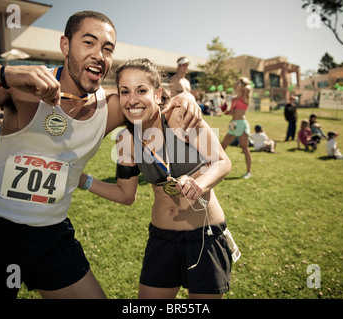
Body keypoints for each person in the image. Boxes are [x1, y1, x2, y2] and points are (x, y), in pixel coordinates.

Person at [0, 11, 201, 299]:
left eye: (107, 48)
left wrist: (184, 97)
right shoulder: (21, 88)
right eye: (88, 43)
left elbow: (152, 103)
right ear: (65, 45)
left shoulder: (112, 107)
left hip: (51, 234)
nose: (99, 55)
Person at [79, 58, 235, 299]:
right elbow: (125, 195)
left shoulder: (179, 117)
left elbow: (222, 161)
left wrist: (200, 184)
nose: (132, 99)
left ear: (158, 93)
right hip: (162, 239)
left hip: (205, 236)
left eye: (142, 90)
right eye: (125, 91)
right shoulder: (125, 141)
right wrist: (82, 180)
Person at [221, 77, 252, 179]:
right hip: (233, 124)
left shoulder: (245, 97)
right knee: (222, 146)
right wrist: (224, 111)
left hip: (242, 124)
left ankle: (248, 172)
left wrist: (243, 83)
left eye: (239, 83)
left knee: (244, 148)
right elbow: (232, 112)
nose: (236, 84)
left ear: (243, 86)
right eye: (237, 83)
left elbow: (248, 88)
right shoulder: (233, 99)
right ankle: (216, 168)